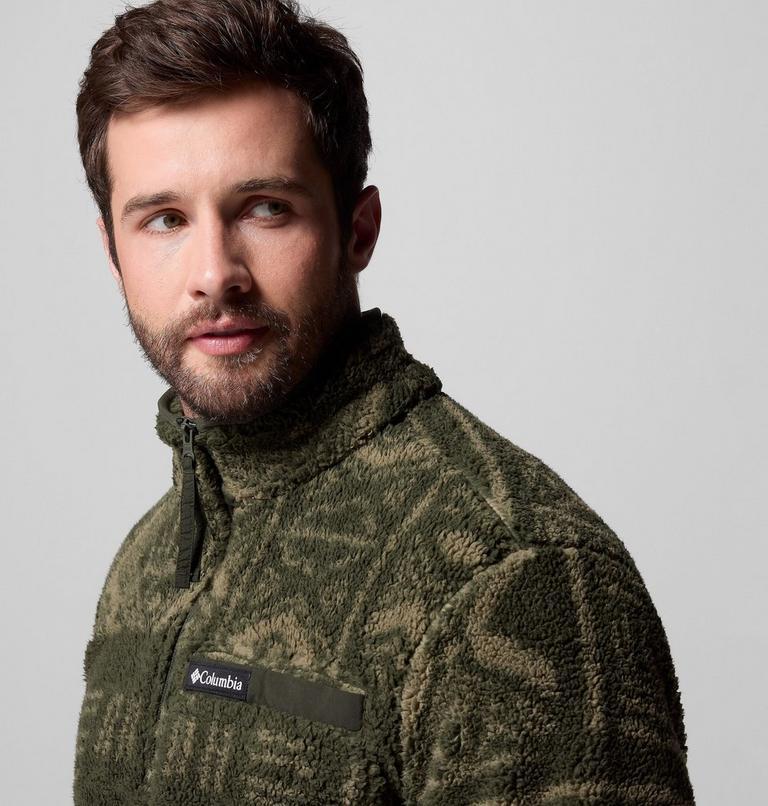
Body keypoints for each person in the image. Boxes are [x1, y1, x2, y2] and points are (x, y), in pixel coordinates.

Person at [73, 1, 695, 803]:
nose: (215, 273)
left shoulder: (514, 573)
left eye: (265, 208)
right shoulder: (149, 563)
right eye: (164, 220)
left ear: (357, 230)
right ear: (113, 252)